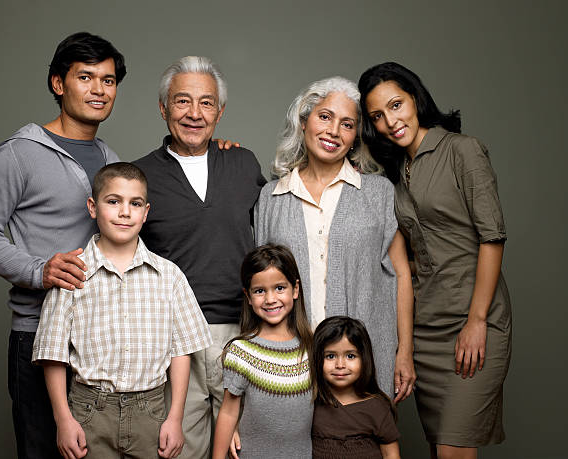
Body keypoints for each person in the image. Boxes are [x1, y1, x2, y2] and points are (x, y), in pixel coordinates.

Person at [0, 32, 126, 458]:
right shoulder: (21, 153)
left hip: (98, 339)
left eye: (108, 81)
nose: (98, 90)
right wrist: (39, 270)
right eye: (85, 77)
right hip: (37, 336)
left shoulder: (110, 158)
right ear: (58, 83)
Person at [359, 62, 512, 459]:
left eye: (396, 105)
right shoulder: (396, 170)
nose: (390, 121)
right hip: (426, 327)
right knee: (436, 448)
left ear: (416, 99)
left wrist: (477, 321)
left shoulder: (463, 150)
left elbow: (492, 237)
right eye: (377, 115)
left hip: (473, 321)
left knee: (452, 449)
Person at [133, 56, 266, 458]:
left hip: (243, 335)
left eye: (206, 103)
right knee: (179, 451)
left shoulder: (243, 163)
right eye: (182, 102)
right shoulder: (139, 177)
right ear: (163, 108)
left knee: (246, 450)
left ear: (220, 111)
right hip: (173, 341)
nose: (194, 114)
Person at [32, 162, 212, 459]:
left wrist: (174, 418)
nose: (125, 212)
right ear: (93, 207)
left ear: (146, 212)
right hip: (89, 411)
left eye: (135, 203)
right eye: (113, 201)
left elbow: (181, 352)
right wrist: (63, 419)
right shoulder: (71, 274)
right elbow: (53, 354)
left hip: (150, 412)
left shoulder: (169, 275)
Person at [254, 76, 415, 400]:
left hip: (363, 359)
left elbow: (401, 275)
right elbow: (260, 284)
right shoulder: (271, 198)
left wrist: (405, 351)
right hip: (290, 361)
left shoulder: (378, 193)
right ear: (304, 122)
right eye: (324, 117)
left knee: (361, 446)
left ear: (356, 136)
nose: (333, 131)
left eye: (346, 124)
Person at [212, 244, 313, 459]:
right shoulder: (241, 351)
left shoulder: (312, 347)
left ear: (295, 289)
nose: (270, 299)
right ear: (248, 296)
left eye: (279, 288)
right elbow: (229, 412)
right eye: (260, 291)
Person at [311, 316, 400, 459]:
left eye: (350, 356)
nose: (340, 365)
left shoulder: (377, 407)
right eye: (330, 356)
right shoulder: (311, 405)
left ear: (364, 359)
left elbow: (391, 454)